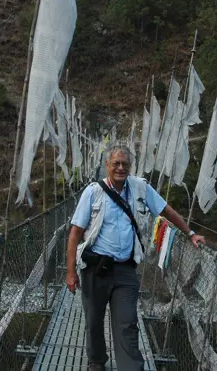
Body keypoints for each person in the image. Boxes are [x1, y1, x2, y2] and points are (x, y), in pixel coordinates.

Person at [66, 144, 206, 371]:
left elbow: (166, 210)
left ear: (131, 166)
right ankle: (97, 360)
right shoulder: (93, 192)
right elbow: (75, 233)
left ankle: (130, 367)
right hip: (94, 269)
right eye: (116, 164)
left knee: (127, 322)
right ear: (107, 166)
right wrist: (71, 272)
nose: (120, 168)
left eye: (125, 164)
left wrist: (190, 233)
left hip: (126, 270)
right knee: (93, 320)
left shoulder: (141, 189)